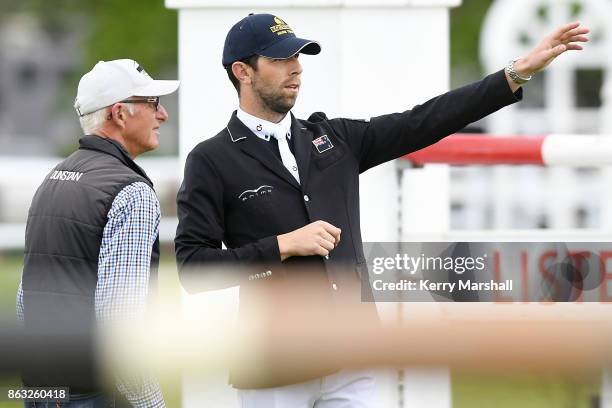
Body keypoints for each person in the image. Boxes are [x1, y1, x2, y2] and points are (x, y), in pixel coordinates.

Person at [174, 13, 589, 408]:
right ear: (242, 72)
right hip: (274, 364)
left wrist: (515, 74)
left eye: (298, 56)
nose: (296, 68)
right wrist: (281, 246)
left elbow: (425, 121)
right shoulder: (211, 158)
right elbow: (194, 268)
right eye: (280, 59)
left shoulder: (334, 138)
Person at [16, 59, 179, 407]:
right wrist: (152, 403)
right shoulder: (132, 192)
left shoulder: (53, 178)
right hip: (90, 393)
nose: (162, 114)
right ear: (119, 114)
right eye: (152, 104)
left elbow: (24, 301)